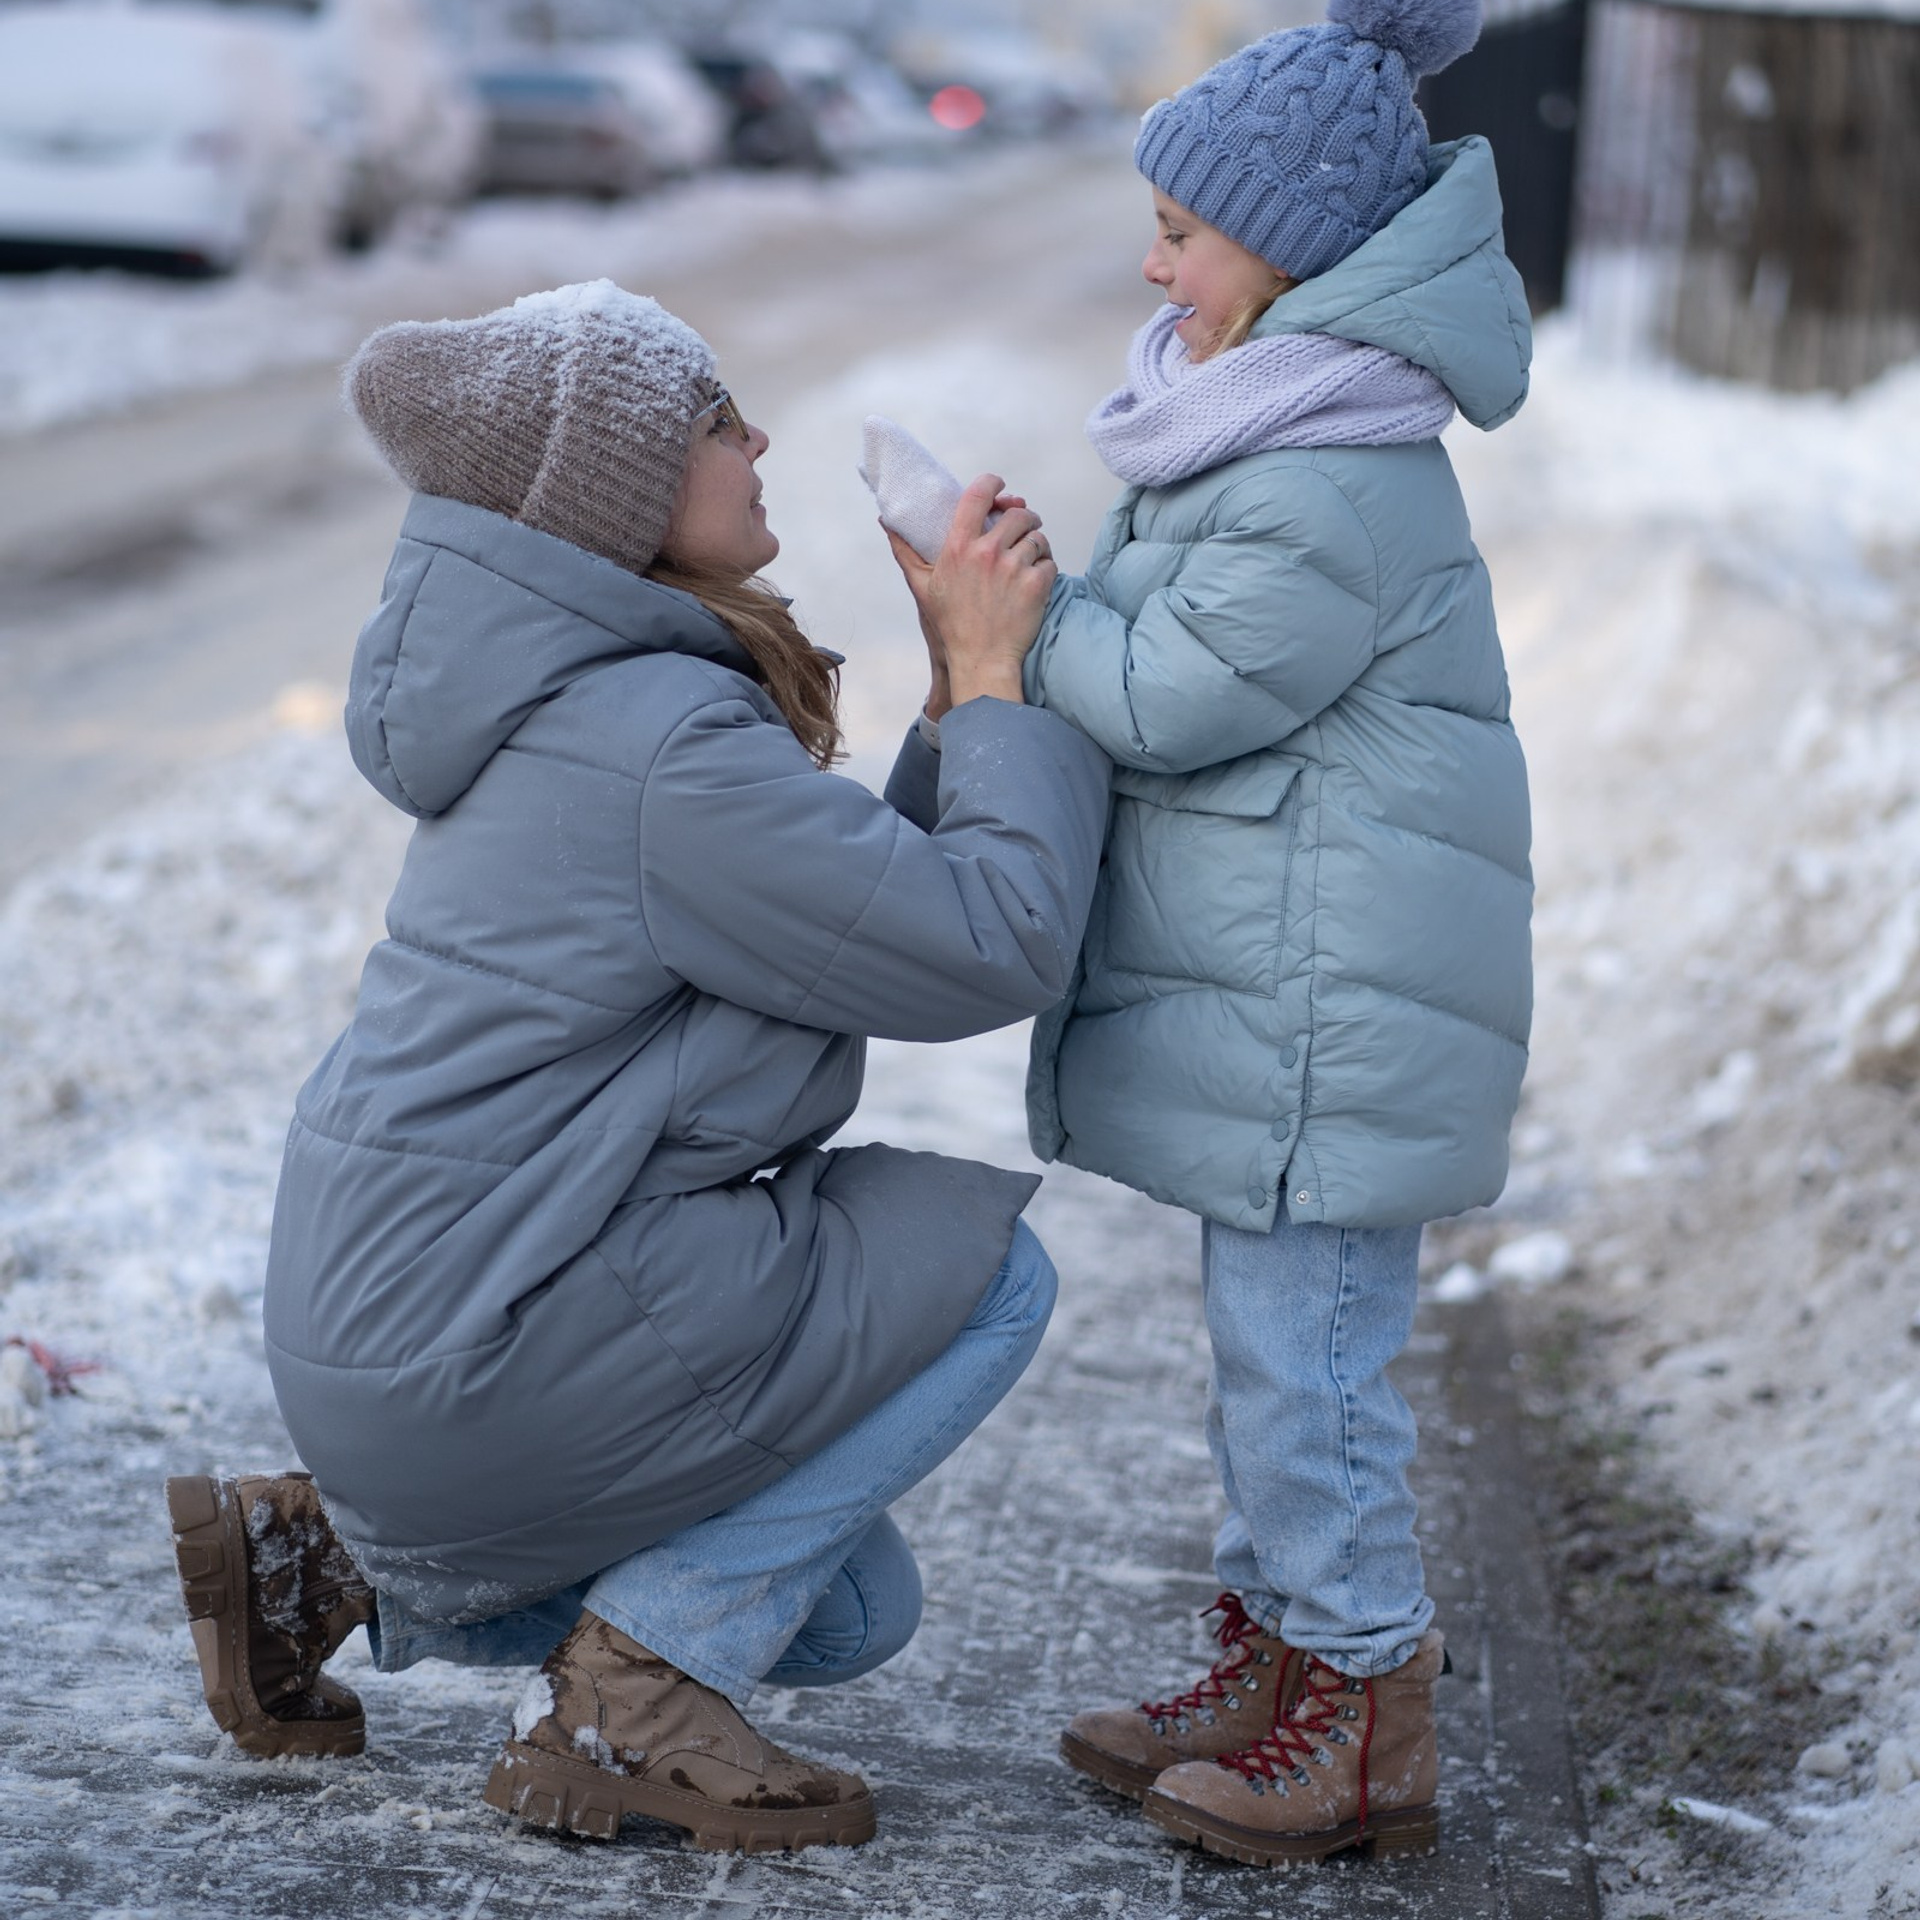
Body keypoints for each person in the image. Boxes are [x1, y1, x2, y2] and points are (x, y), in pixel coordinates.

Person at [164, 281, 1110, 1857]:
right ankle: (635, 1701)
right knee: (990, 1276)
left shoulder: (580, 701)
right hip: (481, 1328)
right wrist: (1005, 687)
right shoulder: (660, 738)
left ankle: (332, 1564)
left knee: (846, 1607)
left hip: (407, 1327)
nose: (759, 441)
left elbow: (855, 905)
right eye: (716, 418)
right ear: (618, 488)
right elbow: (984, 942)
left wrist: (955, 686)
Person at [886, 0, 1532, 1870]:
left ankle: (1360, 1714)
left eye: (1182, 226)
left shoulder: (1331, 471)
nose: (1150, 257)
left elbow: (1168, 695)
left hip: (1330, 1021)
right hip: (1295, 1006)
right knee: (1274, 1368)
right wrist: (1038, 599)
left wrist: (1015, 618)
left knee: (1310, 1378)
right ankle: (1273, 1672)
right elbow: (1166, 652)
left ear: (1297, 248)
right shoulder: (1265, 428)